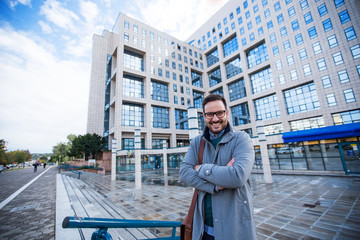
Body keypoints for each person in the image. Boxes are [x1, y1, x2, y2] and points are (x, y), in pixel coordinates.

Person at [180, 94, 257, 240]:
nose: (215, 119)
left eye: (219, 113)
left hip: (234, 230)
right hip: (202, 229)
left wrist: (201, 169)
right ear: (204, 116)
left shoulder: (241, 139)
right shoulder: (197, 142)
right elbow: (184, 172)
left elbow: (237, 176)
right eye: (210, 114)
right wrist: (215, 186)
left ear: (227, 113)